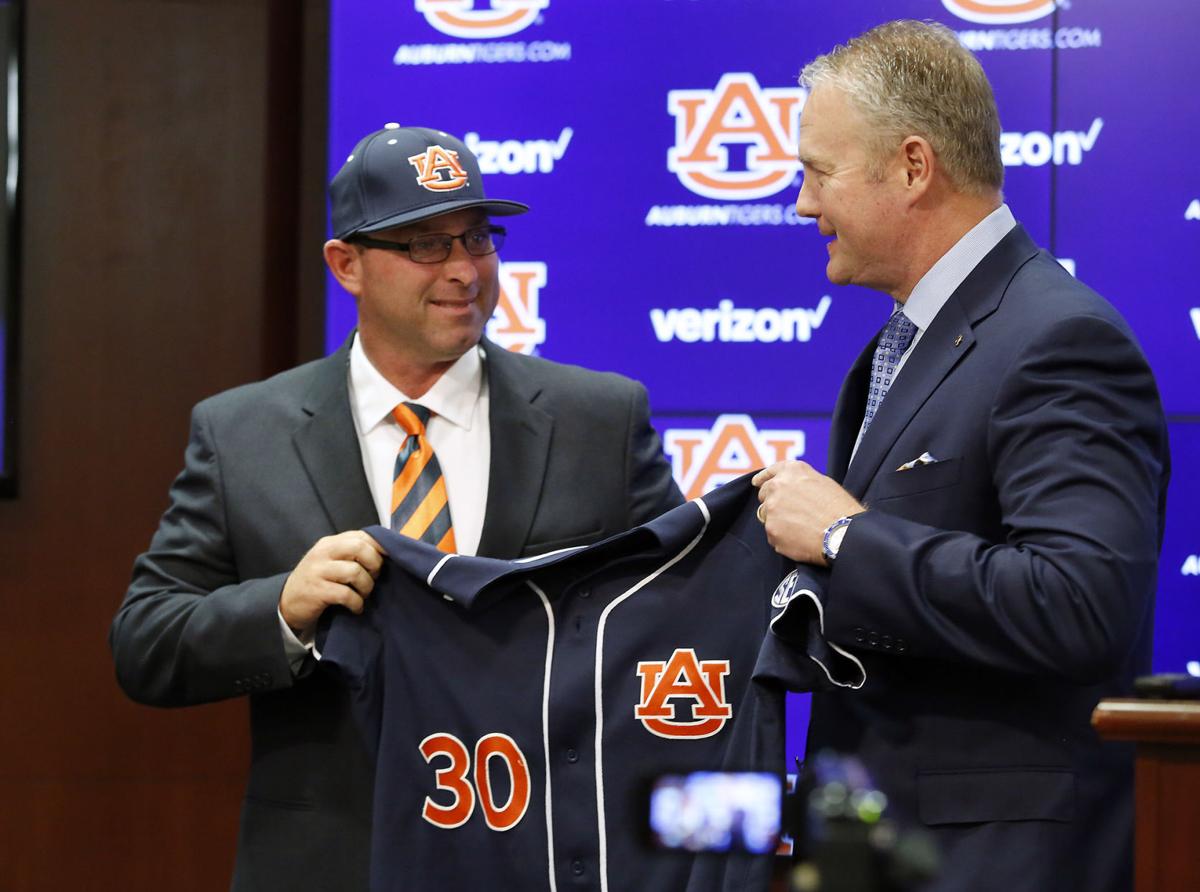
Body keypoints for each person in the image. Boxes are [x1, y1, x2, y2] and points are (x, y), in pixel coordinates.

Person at [109, 124, 682, 891]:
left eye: (477, 238)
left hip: (547, 856)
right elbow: (145, 643)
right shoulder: (242, 434)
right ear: (346, 265)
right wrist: (282, 609)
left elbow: (680, 622)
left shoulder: (599, 420)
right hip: (332, 865)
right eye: (426, 245)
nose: (464, 271)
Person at [753, 21, 1168, 892]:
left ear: (913, 167)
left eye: (819, 172)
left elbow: (1079, 602)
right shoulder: (902, 345)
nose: (801, 204)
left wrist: (844, 538)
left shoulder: (1059, 339)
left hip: (1002, 861)